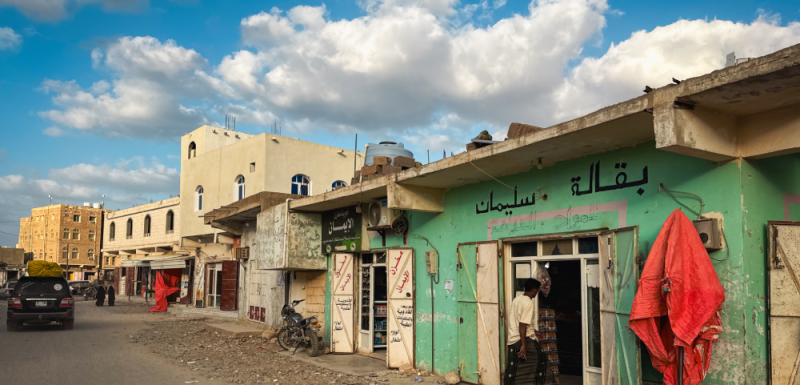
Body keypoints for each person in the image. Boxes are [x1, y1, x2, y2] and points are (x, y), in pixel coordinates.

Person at [505, 279, 546, 385]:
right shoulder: (528, 303)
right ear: (534, 290)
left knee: (517, 367)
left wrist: (535, 331)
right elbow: (522, 324)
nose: (537, 293)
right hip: (522, 338)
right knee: (541, 360)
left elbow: (521, 321)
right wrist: (524, 344)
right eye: (537, 291)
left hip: (513, 338)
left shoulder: (517, 299)